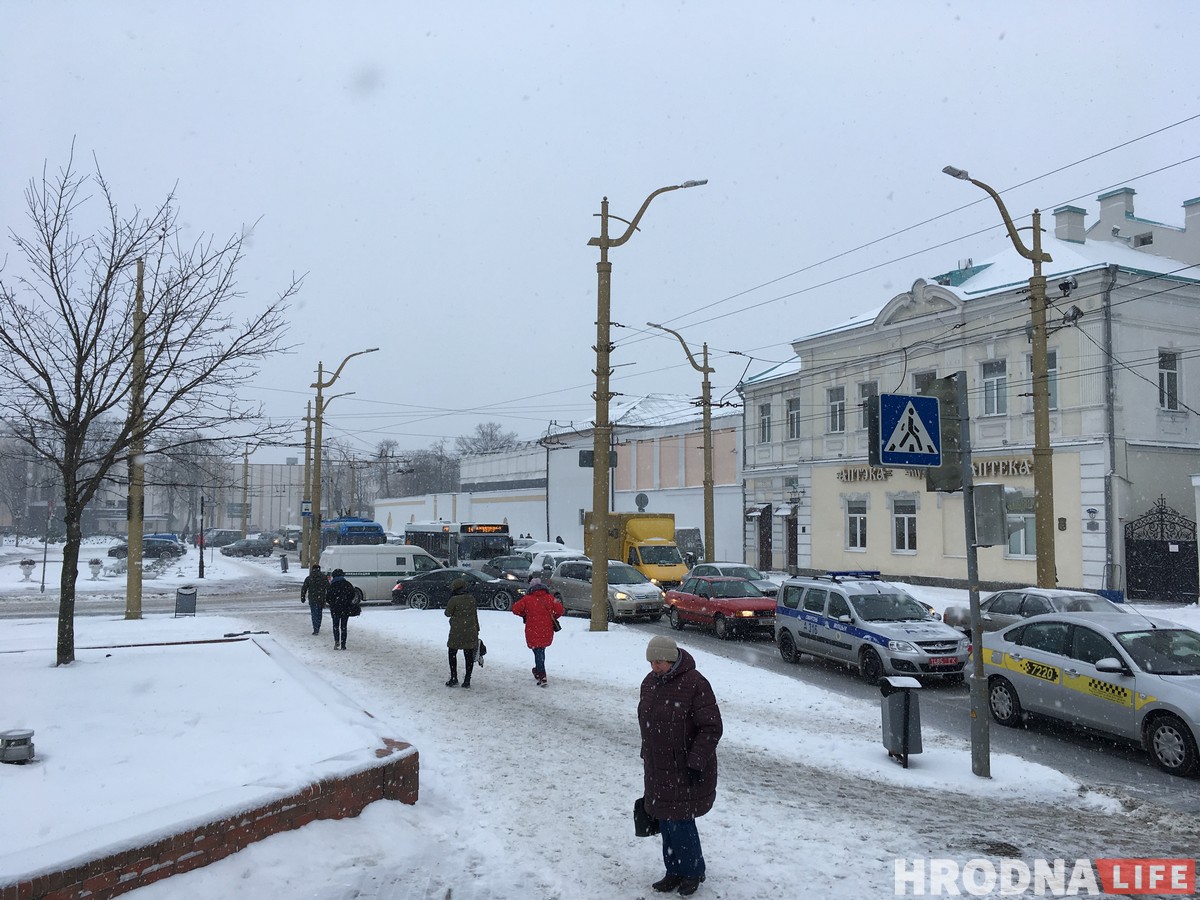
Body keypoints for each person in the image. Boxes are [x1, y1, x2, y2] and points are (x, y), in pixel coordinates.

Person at [639, 635, 722, 897]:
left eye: (660, 662)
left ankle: (693, 872)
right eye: (652, 662)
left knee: (682, 821)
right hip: (657, 765)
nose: (655, 667)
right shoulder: (650, 683)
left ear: (672, 660)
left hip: (685, 767)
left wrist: (696, 761)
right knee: (665, 820)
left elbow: (711, 727)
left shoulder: (695, 684)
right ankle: (673, 870)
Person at [511, 576, 564, 687]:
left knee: (537, 651)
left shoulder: (527, 599)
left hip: (532, 629)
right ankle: (538, 670)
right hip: (547, 628)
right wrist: (553, 617)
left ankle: (542, 674)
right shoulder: (550, 597)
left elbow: (515, 609)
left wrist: (525, 614)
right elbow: (560, 610)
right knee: (541, 650)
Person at [444, 578, 479, 688]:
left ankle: (454, 677)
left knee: (452, 653)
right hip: (470, 631)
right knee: (468, 655)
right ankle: (467, 679)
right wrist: (477, 629)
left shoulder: (454, 600)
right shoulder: (472, 599)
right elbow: (474, 614)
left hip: (457, 631)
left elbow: (447, 613)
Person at [325, 568, 356, 650]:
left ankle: (336, 641)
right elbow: (352, 594)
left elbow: (328, 597)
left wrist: (333, 603)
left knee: (335, 625)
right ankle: (343, 644)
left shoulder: (332, 585)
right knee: (344, 626)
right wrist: (347, 601)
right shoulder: (347, 584)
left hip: (335, 608)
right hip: (345, 608)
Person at [300, 564, 328, 635]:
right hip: (321, 598)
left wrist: (303, 597)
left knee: (314, 613)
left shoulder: (309, 578)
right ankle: (318, 625)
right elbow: (328, 588)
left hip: (312, 598)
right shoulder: (324, 578)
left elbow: (304, 588)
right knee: (319, 613)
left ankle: (316, 628)